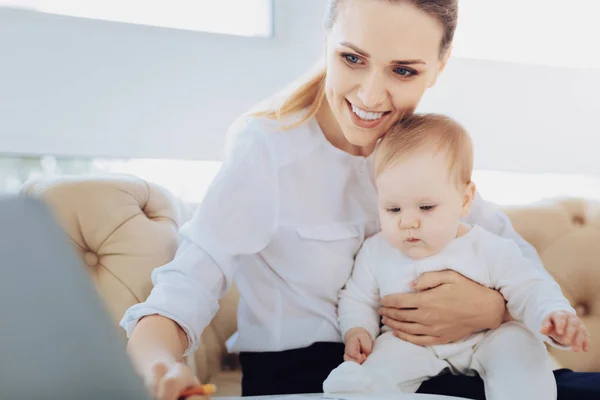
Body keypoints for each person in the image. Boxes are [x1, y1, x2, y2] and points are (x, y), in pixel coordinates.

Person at [119, 0, 600, 399]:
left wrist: (494, 310)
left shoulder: (422, 150)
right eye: (352, 58)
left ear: (439, 68)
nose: (371, 94)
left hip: (457, 366)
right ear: (326, 41)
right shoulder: (268, 150)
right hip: (314, 375)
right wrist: (159, 368)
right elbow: (186, 287)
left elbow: (515, 263)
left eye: (404, 70)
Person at [321, 114, 590, 399]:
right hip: (410, 342)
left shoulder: (488, 247)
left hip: (487, 338)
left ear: (464, 200)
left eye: (425, 207)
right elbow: (357, 298)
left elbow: (529, 287)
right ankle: (358, 388)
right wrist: (358, 330)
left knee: (519, 347)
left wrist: (552, 314)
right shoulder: (377, 251)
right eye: (393, 209)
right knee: (381, 363)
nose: (407, 222)